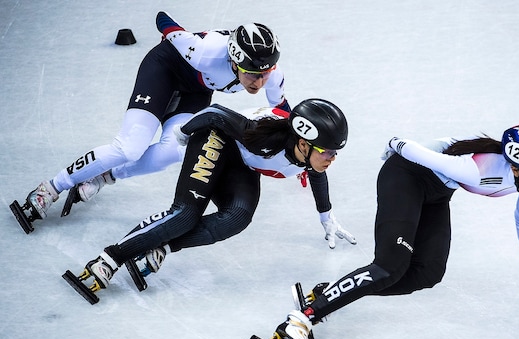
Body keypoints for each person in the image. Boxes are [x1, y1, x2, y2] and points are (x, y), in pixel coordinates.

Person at [269, 123, 519, 339]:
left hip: (436, 195)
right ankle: (306, 315)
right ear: (518, 167)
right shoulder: (475, 170)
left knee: (428, 273)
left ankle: (328, 294)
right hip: (404, 177)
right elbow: (413, 149)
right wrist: (393, 145)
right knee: (389, 266)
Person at [14, 11, 288, 230]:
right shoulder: (204, 50)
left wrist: (302, 146)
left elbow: (284, 112)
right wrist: (180, 32)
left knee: (172, 151)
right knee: (129, 147)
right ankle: (50, 188)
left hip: (194, 92)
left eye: (265, 74)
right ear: (235, 59)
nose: (259, 82)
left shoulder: (269, 74)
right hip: (164, 70)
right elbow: (162, 19)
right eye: (252, 74)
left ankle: (107, 175)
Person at [66, 98, 356, 299]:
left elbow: (317, 175)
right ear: (304, 144)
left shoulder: (306, 156)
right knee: (185, 214)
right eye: (328, 152)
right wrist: (183, 132)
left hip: (241, 164)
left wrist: (326, 216)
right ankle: (108, 259)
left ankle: (163, 247)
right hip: (216, 137)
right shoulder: (266, 138)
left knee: (238, 217)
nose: (332, 159)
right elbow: (215, 112)